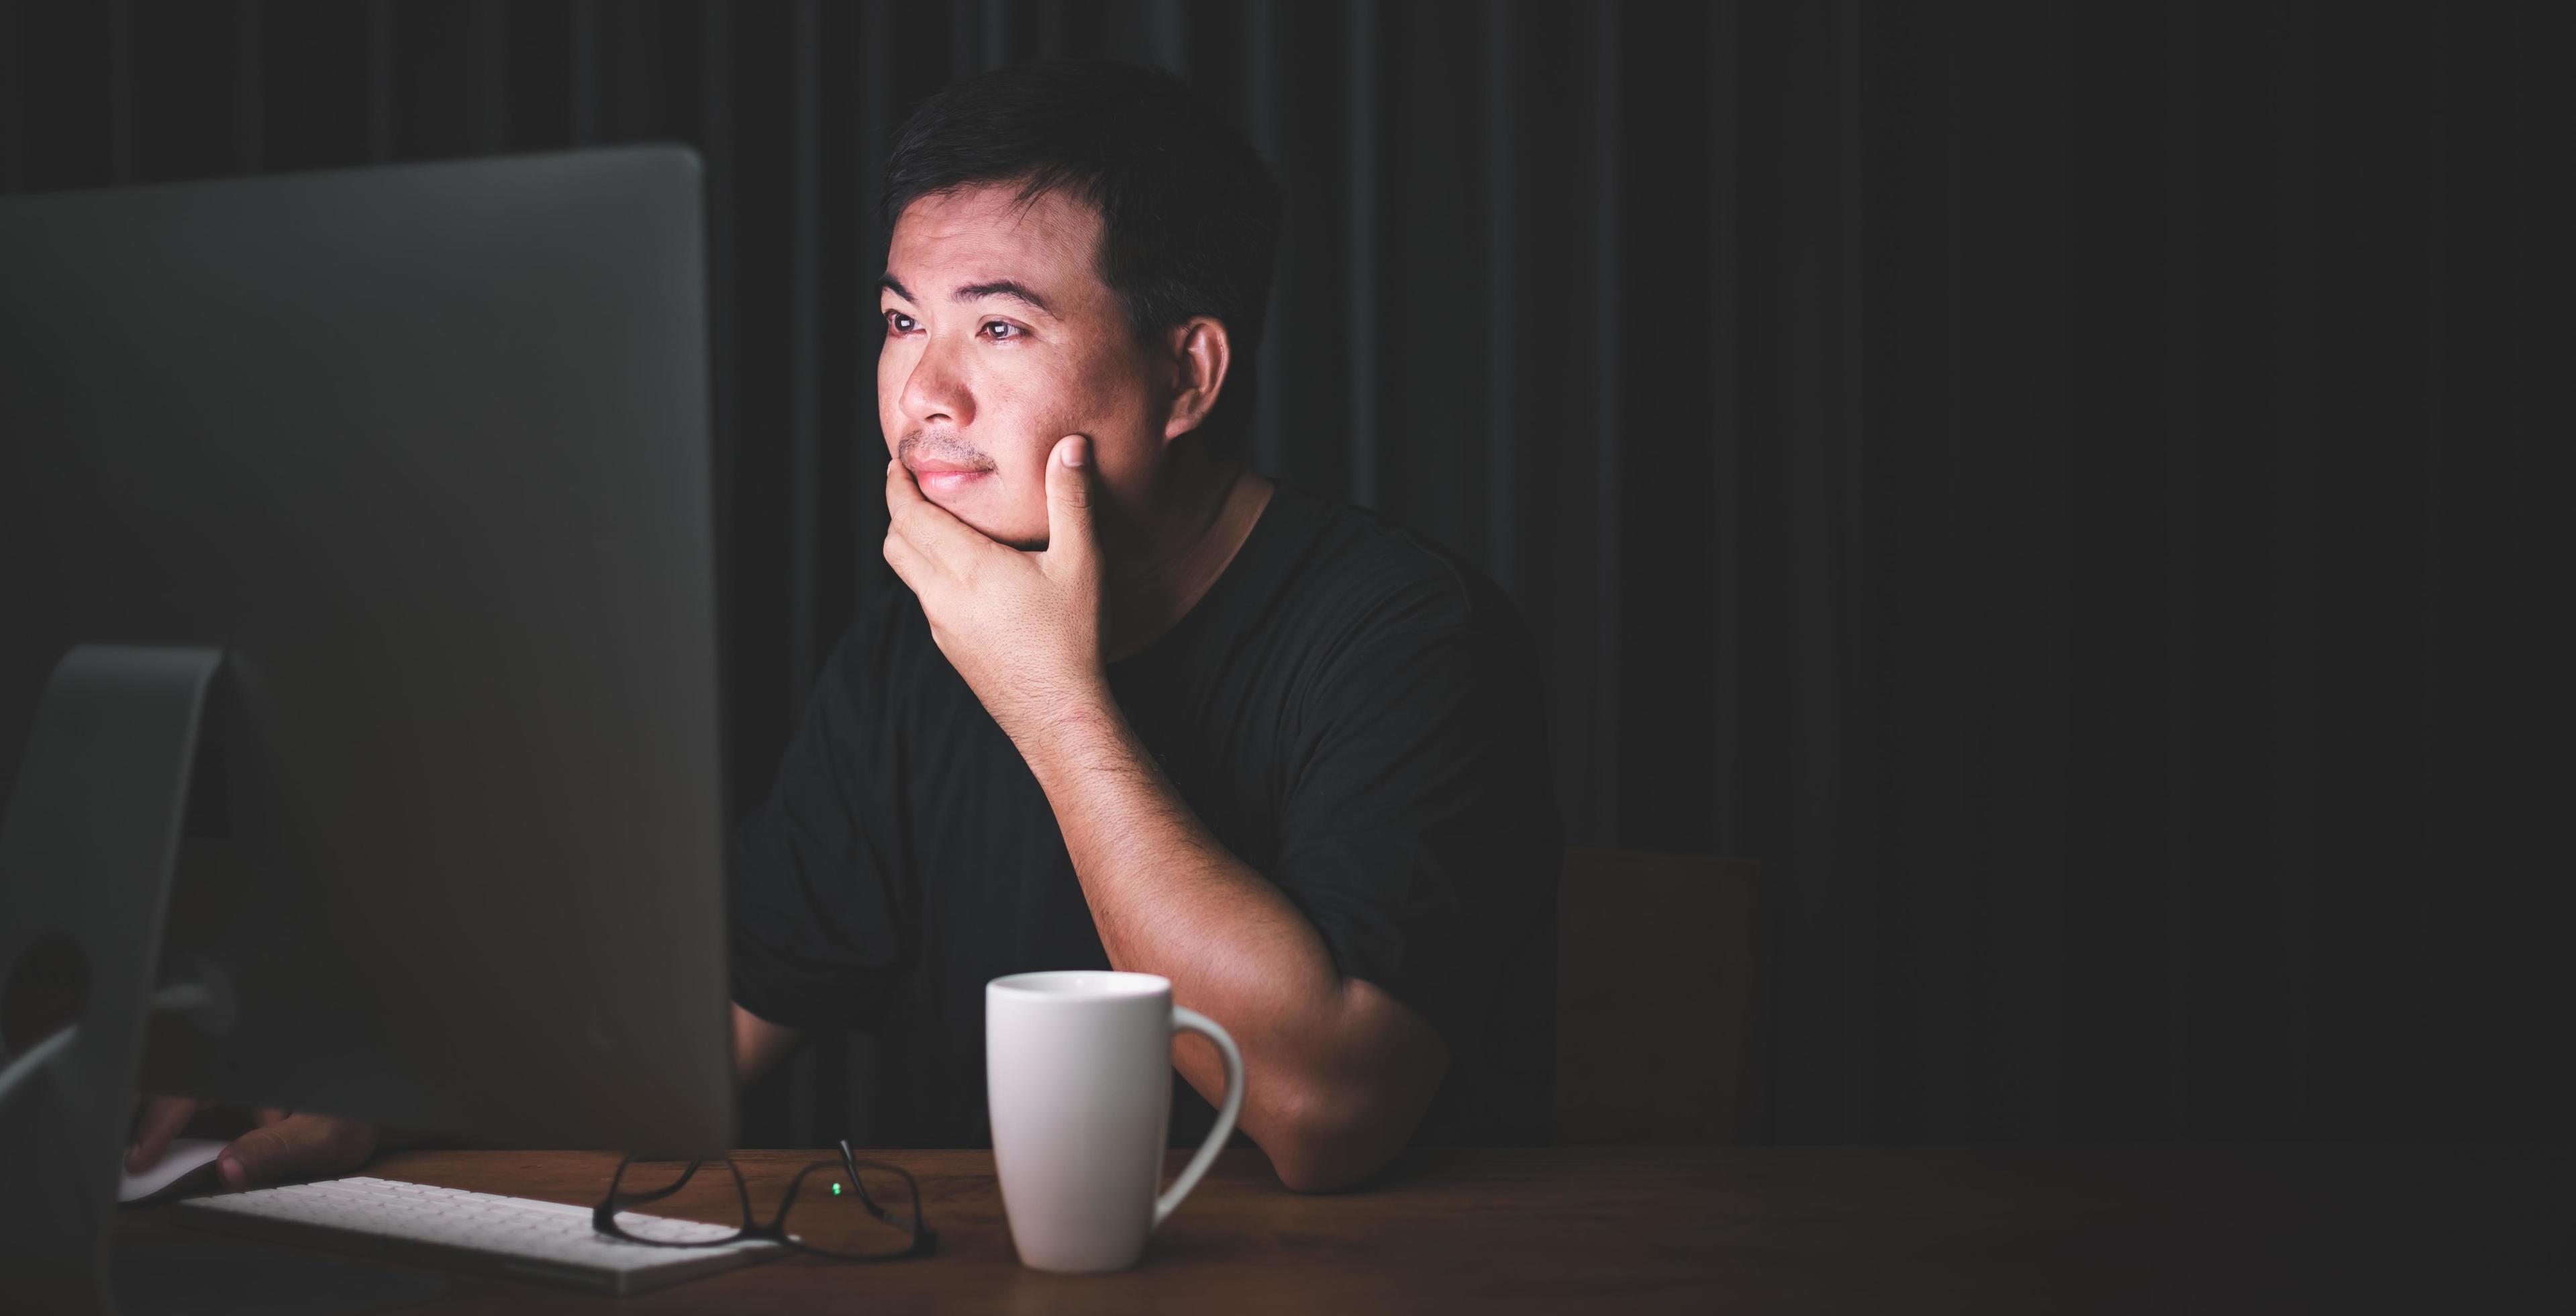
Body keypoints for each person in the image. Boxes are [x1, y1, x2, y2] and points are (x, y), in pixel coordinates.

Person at [129, 59, 1560, 1196]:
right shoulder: (908, 647)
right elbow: (712, 1039)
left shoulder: (1403, 633)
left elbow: (1325, 1112)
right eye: (897, 319)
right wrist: (376, 1078)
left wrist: (1049, 700)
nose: (921, 392)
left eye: (996, 329)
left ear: (1186, 375)